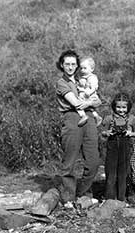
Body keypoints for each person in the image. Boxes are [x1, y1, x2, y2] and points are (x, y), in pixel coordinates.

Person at [55, 49, 102, 203]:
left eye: (73, 64)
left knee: (93, 161)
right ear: (61, 65)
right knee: (70, 161)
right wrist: (91, 102)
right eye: (67, 64)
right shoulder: (62, 83)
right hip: (72, 118)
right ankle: (68, 198)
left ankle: (83, 193)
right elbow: (75, 103)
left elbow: (99, 101)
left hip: (88, 117)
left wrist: (91, 102)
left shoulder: (82, 78)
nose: (70, 67)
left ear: (77, 65)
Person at [101, 92, 135, 201]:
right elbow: (102, 132)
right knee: (111, 173)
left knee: (123, 173)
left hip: (125, 147)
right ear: (114, 106)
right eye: (118, 107)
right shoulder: (109, 118)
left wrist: (130, 133)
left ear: (128, 107)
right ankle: (109, 199)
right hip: (112, 147)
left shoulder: (132, 119)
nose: (121, 110)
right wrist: (107, 133)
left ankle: (121, 198)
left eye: (124, 107)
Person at [76, 57, 103, 127]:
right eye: (81, 68)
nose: (82, 70)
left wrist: (89, 92)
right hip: (82, 95)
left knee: (78, 105)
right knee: (89, 108)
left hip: (89, 95)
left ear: (92, 69)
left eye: (85, 68)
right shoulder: (80, 77)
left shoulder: (92, 77)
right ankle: (96, 117)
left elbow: (94, 87)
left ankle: (83, 116)